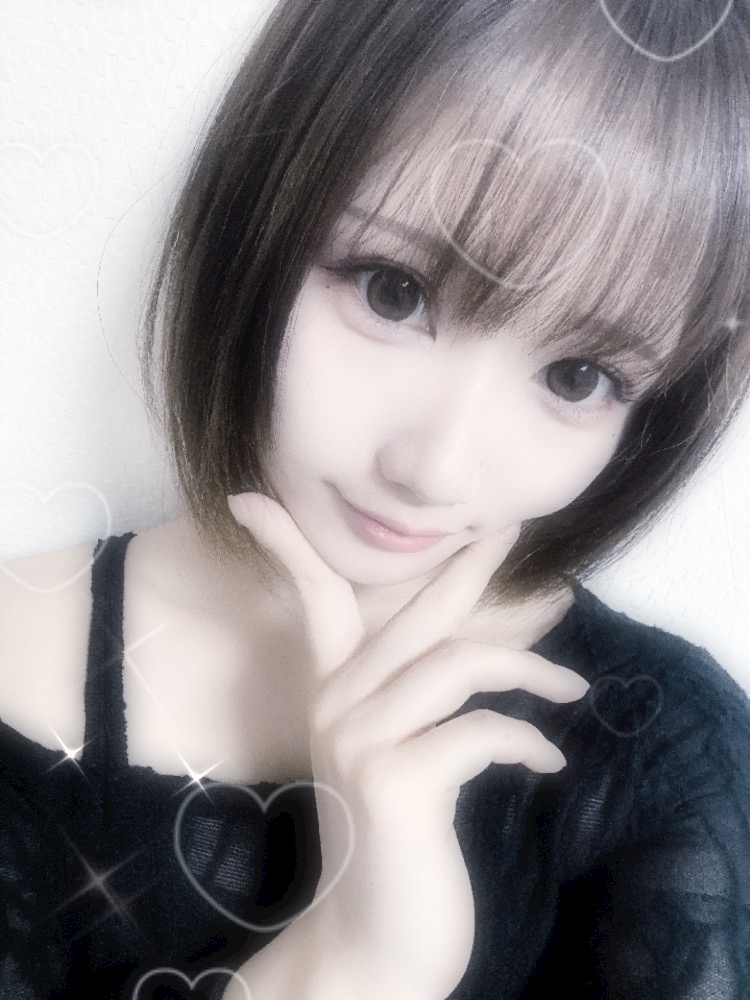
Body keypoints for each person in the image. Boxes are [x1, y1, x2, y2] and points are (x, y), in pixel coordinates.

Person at [1, 0, 749, 997]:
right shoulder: (13, 655)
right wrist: (359, 963)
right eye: (393, 290)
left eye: (579, 377)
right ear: (257, 215)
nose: (437, 469)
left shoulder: (660, 753)